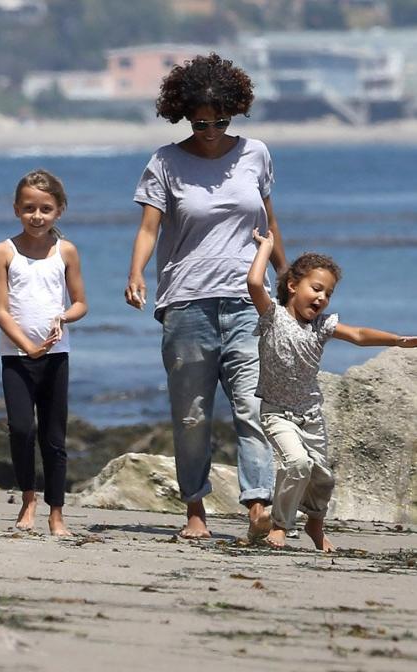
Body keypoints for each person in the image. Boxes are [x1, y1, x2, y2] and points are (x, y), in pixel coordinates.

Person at [125, 53, 286, 539]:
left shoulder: (255, 153)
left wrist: (288, 275)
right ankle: (195, 511)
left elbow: (269, 223)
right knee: (193, 414)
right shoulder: (166, 161)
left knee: (252, 408)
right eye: (200, 120)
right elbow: (150, 228)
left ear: (234, 110)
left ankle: (257, 505)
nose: (211, 128)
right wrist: (135, 271)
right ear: (184, 113)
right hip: (186, 304)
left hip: (248, 300)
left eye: (221, 119)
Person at [248, 228, 417, 551]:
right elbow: (255, 284)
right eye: (316, 289)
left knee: (322, 477)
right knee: (297, 465)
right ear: (293, 286)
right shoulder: (272, 317)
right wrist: (267, 248)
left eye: (328, 294)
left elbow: (357, 334)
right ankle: (281, 526)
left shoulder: (321, 326)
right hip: (277, 413)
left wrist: (398, 340)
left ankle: (310, 523)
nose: (322, 298)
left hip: (310, 415)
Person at [0, 169, 87, 536]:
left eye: (46, 209)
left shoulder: (66, 251)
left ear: (59, 211)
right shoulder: (4, 251)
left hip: (55, 358)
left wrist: (63, 317)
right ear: (17, 209)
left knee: (53, 436)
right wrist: (27, 346)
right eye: (30, 208)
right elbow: (0, 310)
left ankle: (57, 512)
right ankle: (28, 499)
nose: (37, 216)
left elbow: (81, 303)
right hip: (17, 359)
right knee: (20, 429)